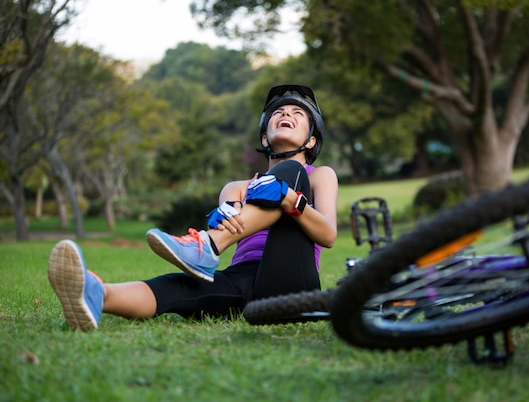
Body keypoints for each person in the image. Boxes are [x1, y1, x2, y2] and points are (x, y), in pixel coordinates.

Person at [47, 84, 338, 331]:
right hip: (247, 283)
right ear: (264, 138)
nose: (286, 114)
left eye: (297, 113)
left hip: (294, 286)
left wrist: (290, 199)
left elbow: (328, 235)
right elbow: (232, 220)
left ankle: (207, 248)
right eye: (279, 112)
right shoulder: (236, 187)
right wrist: (227, 215)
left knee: (290, 172)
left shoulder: (319, 176)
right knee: (180, 286)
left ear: (311, 140)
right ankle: (96, 295)